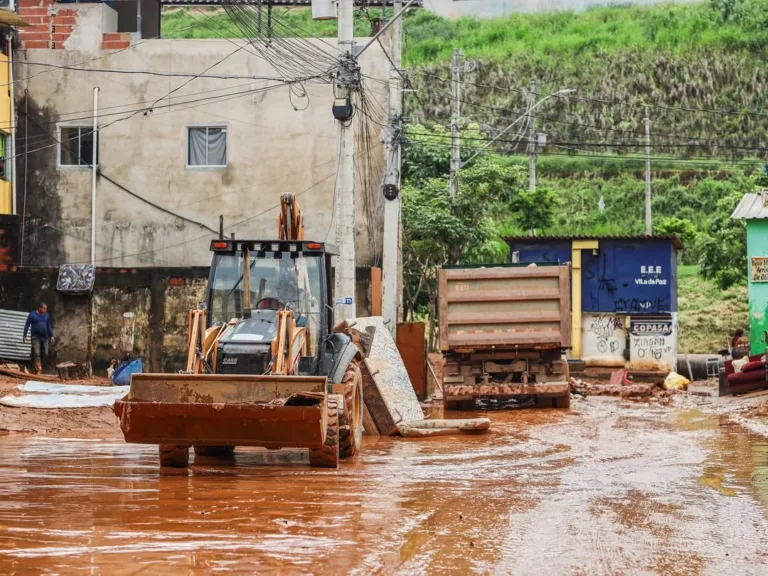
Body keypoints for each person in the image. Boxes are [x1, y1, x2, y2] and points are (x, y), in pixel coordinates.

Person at [23, 301, 55, 375]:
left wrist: (52, 335)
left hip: (45, 337)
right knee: (37, 353)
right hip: (35, 337)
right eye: (44, 309)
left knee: (46, 353)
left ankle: (41, 365)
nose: (45, 310)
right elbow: (27, 325)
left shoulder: (46, 315)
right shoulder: (32, 315)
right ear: (39, 308)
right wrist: (25, 336)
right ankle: (38, 369)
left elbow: (48, 326)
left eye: (46, 309)